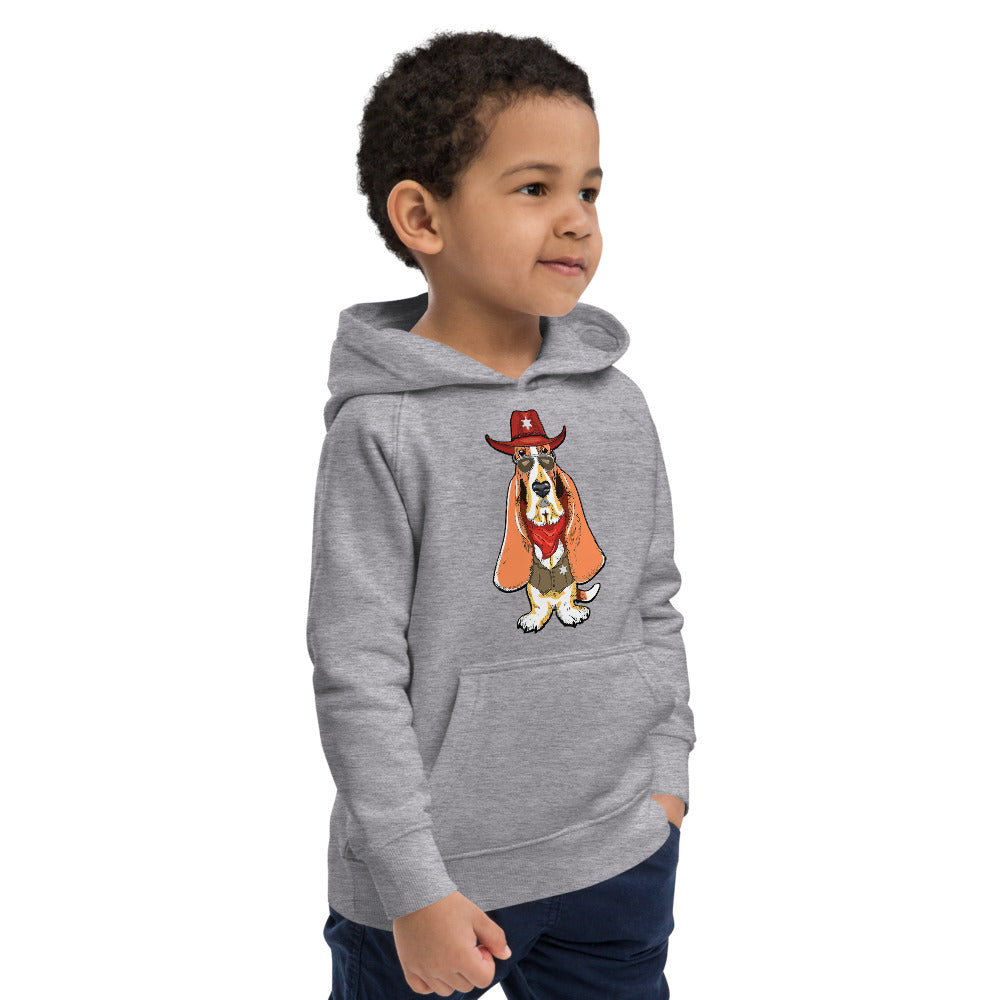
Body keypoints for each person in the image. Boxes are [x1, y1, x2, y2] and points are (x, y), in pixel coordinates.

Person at [306, 29, 697, 999]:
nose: (575, 221)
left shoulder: (617, 404)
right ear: (421, 217)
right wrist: (413, 887)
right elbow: (357, 671)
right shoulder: (383, 430)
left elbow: (651, 599)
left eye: (589, 191)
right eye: (534, 188)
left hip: (618, 854)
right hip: (434, 885)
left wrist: (666, 779)